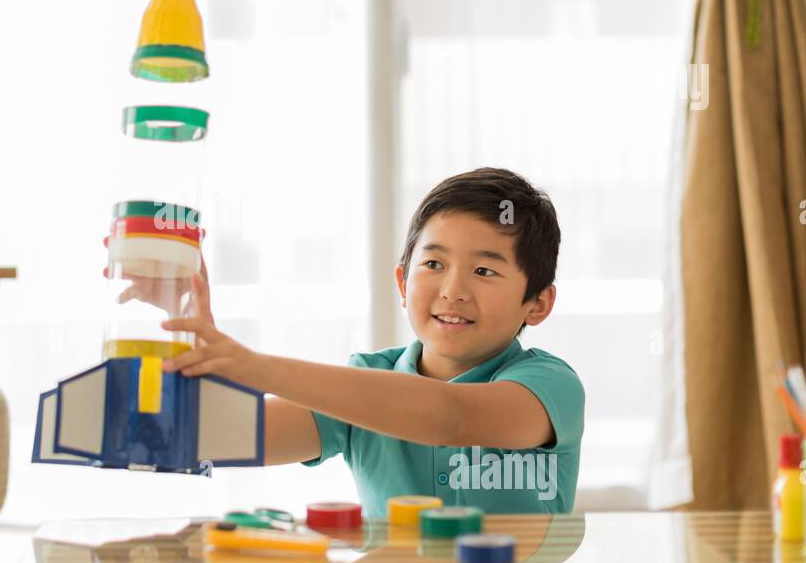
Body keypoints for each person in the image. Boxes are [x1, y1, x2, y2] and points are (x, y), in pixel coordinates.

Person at [114, 167, 585, 517]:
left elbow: (451, 416)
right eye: (434, 264)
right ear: (402, 283)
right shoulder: (364, 385)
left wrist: (251, 365)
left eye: (484, 270)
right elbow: (212, 440)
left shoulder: (548, 386)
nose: (452, 290)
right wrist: (184, 332)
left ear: (537, 303)